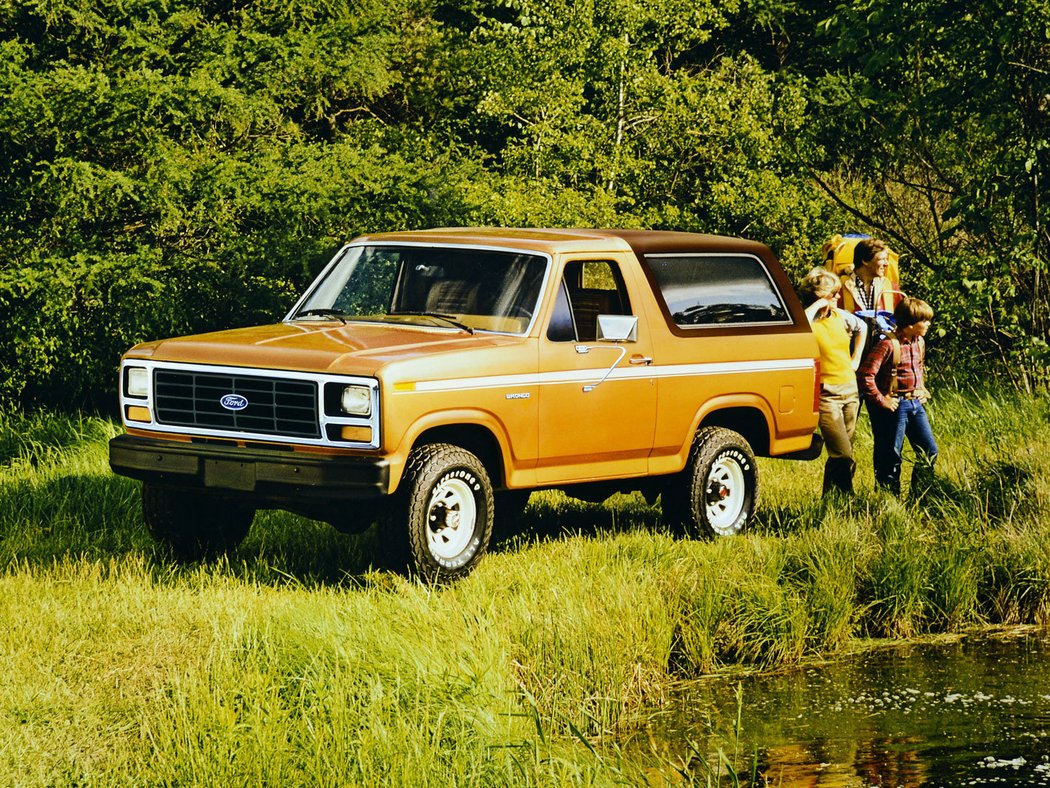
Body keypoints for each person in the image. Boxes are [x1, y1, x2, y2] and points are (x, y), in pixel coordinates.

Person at [858, 297, 937, 496]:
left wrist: (922, 389)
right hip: (895, 406)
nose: (928, 325)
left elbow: (918, 368)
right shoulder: (888, 344)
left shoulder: (919, 342)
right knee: (891, 456)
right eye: (925, 321)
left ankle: (921, 495)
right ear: (910, 324)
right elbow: (866, 375)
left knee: (929, 451)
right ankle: (889, 499)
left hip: (915, 404)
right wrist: (881, 399)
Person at [799, 267, 868, 495]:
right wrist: (818, 306)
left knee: (844, 450)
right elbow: (799, 329)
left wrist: (856, 359)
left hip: (850, 390)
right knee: (842, 452)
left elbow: (863, 327)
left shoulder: (840, 317)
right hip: (826, 394)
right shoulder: (808, 320)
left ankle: (832, 498)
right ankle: (848, 496)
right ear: (820, 297)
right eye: (833, 294)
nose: (839, 297)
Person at [838, 238, 901, 315]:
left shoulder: (892, 288)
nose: (886, 264)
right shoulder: (839, 288)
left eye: (886, 259)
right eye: (882, 259)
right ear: (865, 261)